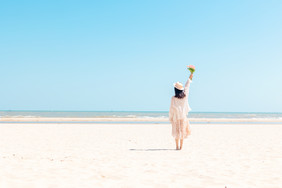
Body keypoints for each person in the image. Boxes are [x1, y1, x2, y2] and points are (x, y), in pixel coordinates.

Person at [169, 73, 193, 150]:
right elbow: (187, 86)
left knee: (176, 133)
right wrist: (190, 76)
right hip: (183, 117)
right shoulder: (185, 96)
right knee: (182, 132)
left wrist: (171, 118)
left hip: (176, 117)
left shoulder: (173, 98)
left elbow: (171, 109)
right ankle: (181, 147)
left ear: (175, 89)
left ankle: (177, 146)